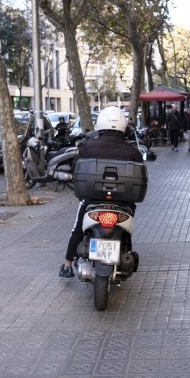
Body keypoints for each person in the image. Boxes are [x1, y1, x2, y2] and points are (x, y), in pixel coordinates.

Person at [59, 106, 143, 278]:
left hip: (91, 200)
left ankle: (67, 264)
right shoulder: (133, 152)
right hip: (124, 203)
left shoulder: (87, 146)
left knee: (77, 229)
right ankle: (126, 254)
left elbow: (76, 168)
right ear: (123, 125)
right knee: (126, 230)